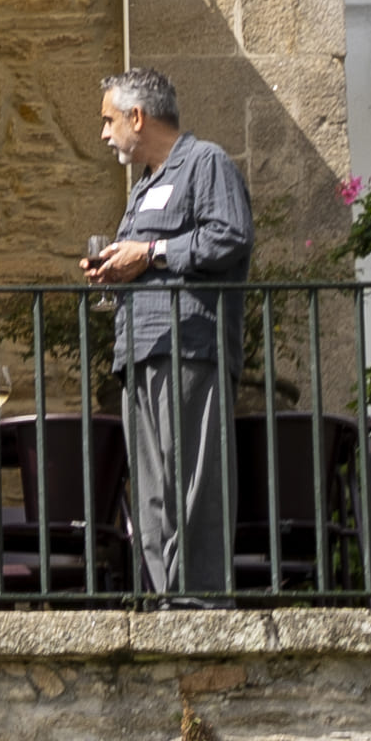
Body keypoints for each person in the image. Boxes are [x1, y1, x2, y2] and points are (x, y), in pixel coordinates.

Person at [87, 67, 254, 603]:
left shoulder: (206, 163)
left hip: (190, 345)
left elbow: (230, 237)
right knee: (154, 493)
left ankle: (201, 603)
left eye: (110, 121)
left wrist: (151, 253)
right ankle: (166, 602)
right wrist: (115, 267)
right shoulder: (145, 187)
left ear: (139, 116)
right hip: (139, 348)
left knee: (195, 483)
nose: (105, 134)